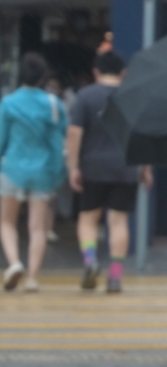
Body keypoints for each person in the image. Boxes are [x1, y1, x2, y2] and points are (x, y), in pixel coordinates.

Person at [66, 50, 151, 293]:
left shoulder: (85, 96)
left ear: (96, 72)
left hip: (92, 167)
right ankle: (115, 277)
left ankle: (91, 260)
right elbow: (142, 136)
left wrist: (73, 167)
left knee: (88, 218)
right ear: (123, 72)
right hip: (125, 168)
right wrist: (145, 168)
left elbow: (74, 133)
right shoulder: (133, 97)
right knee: (118, 221)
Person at [1, 53, 68, 292]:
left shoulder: (8, 103)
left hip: (12, 169)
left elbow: (1, 140)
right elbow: (60, 139)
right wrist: (59, 171)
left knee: (7, 222)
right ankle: (32, 277)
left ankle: (14, 263)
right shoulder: (53, 104)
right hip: (43, 171)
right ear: (43, 77)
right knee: (38, 227)